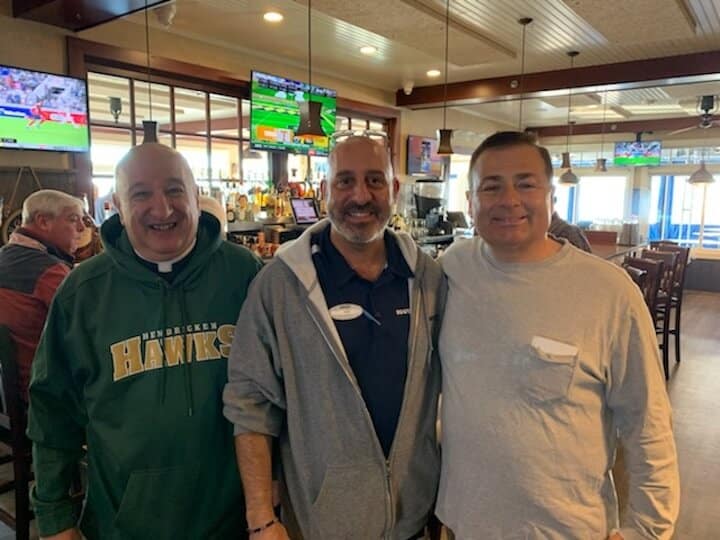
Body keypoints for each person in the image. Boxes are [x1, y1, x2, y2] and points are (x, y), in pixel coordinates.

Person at [437, 131, 679, 539]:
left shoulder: (609, 291)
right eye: (491, 187)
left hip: (566, 529)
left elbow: (647, 420)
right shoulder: (452, 269)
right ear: (470, 202)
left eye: (526, 184)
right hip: (463, 522)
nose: (509, 200)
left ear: (551, 198)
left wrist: (648, 530)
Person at [27, 143, 263, 540]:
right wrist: (54, 516)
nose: (162, 209)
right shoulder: (83, 292)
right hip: (126, 522)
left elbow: (281, 391)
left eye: (174, 190)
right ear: (117, 204)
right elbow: (52, 410)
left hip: (238, 520)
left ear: (196, 194)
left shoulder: (245, 275)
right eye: (141, 194)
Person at [223, 135, 445, 540]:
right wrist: (261, 518)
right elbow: (250, 403)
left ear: (394, 190)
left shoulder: (427, 279)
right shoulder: (280, 285)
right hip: (320, 526)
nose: (360, 195)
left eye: (375, 180)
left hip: (413, 522)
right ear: (325, 191)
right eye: (345, 181)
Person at [0, 189, 84, 401]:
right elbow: (90, 329)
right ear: (43, 222)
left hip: (6, 394)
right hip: (45, 396)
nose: (82, 229)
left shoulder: (4, 258)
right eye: (73, 220)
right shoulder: (50, 273)